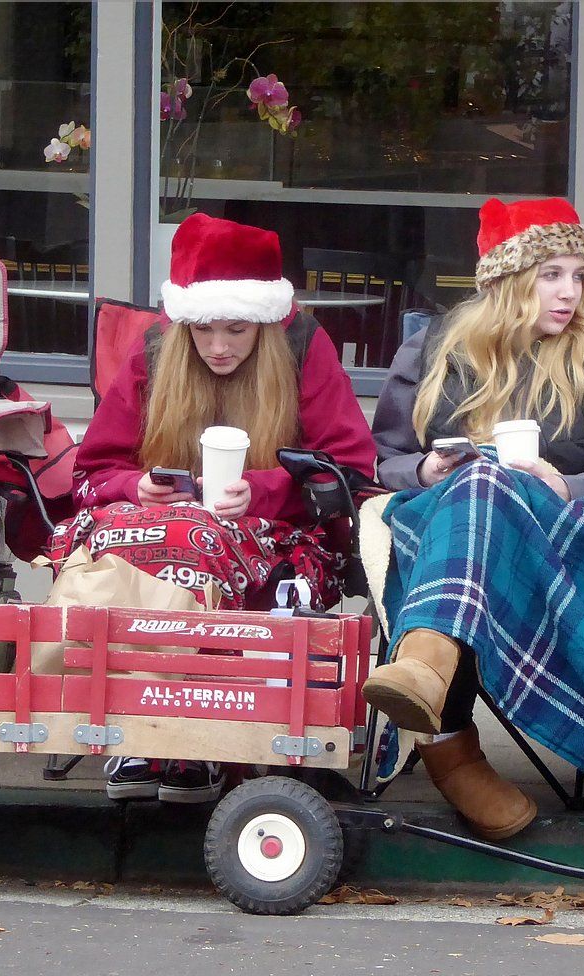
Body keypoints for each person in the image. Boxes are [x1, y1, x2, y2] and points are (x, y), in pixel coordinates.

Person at [367, 197, 584, 841]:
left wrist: (566, 483)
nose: (570, 293)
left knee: (488, 481)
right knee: (477, 480)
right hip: (441, 524)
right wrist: (424, 470)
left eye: (578, 276)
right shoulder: (433, 348)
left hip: (558, 535)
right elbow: (382, 458)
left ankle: (430, 685)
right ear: (506, 281)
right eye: (551, 275)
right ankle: (445, 735)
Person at [61, 212, 375, 804]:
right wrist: (135, 486)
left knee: (191, 541)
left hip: (279, 538)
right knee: (138, 534)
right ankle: (141, 725)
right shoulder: (156, 350)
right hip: (162, 526)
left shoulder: (303, 345)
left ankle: (189, 738)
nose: (218, 346)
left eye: (236, 329)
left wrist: (264, 490)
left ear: (264, 321)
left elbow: (350, 473)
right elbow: (92, 473)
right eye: (203, 330)